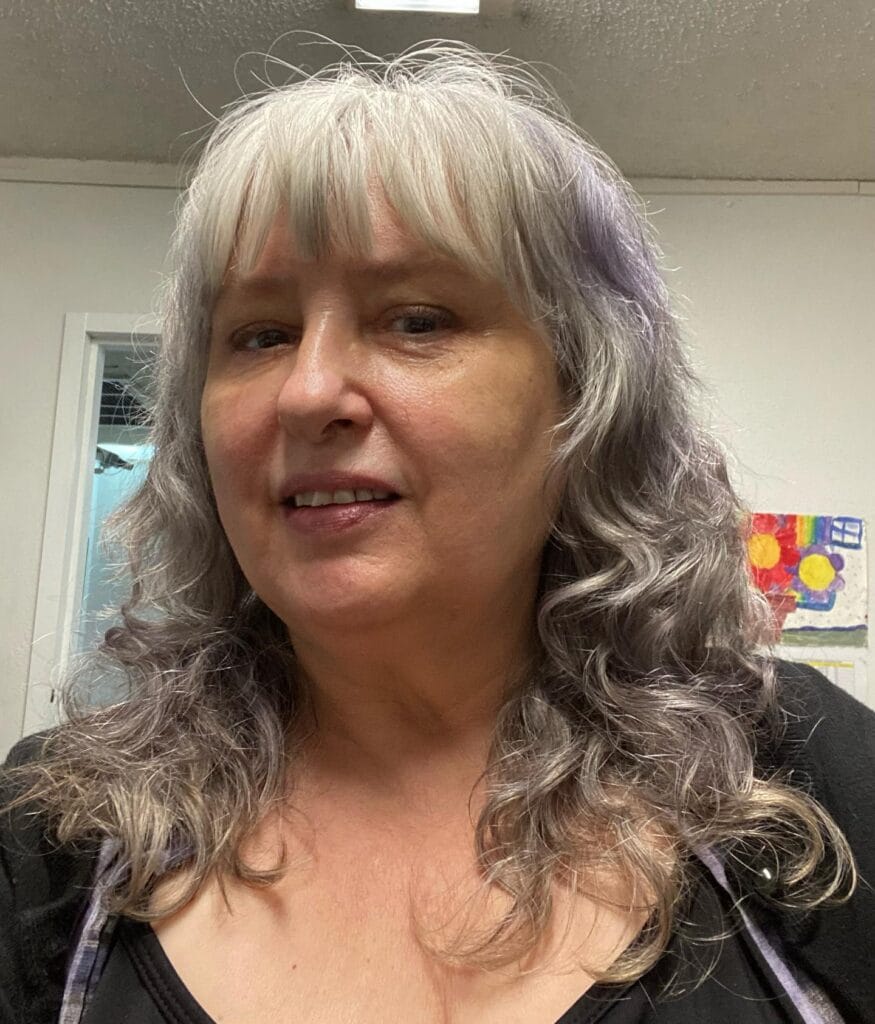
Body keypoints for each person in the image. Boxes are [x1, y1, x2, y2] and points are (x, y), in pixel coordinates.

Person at [2, 35, 874, 1024]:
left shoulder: (806, 781)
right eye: (259, 333)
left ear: (584, 401)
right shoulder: (55, 837)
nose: (309, 390)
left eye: (416, 319)